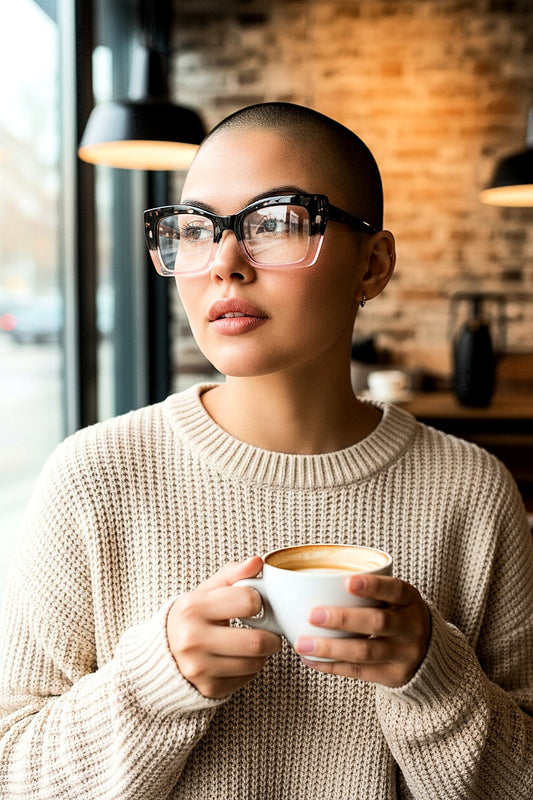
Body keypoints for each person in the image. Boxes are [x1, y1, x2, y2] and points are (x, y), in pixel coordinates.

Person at [0, 101, 532, 800]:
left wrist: (434, 677)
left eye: (276, 222)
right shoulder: (92, 478)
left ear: (371, 266)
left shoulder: (472, 492)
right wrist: (156, 680)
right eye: (195, 230)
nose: (223, 262)